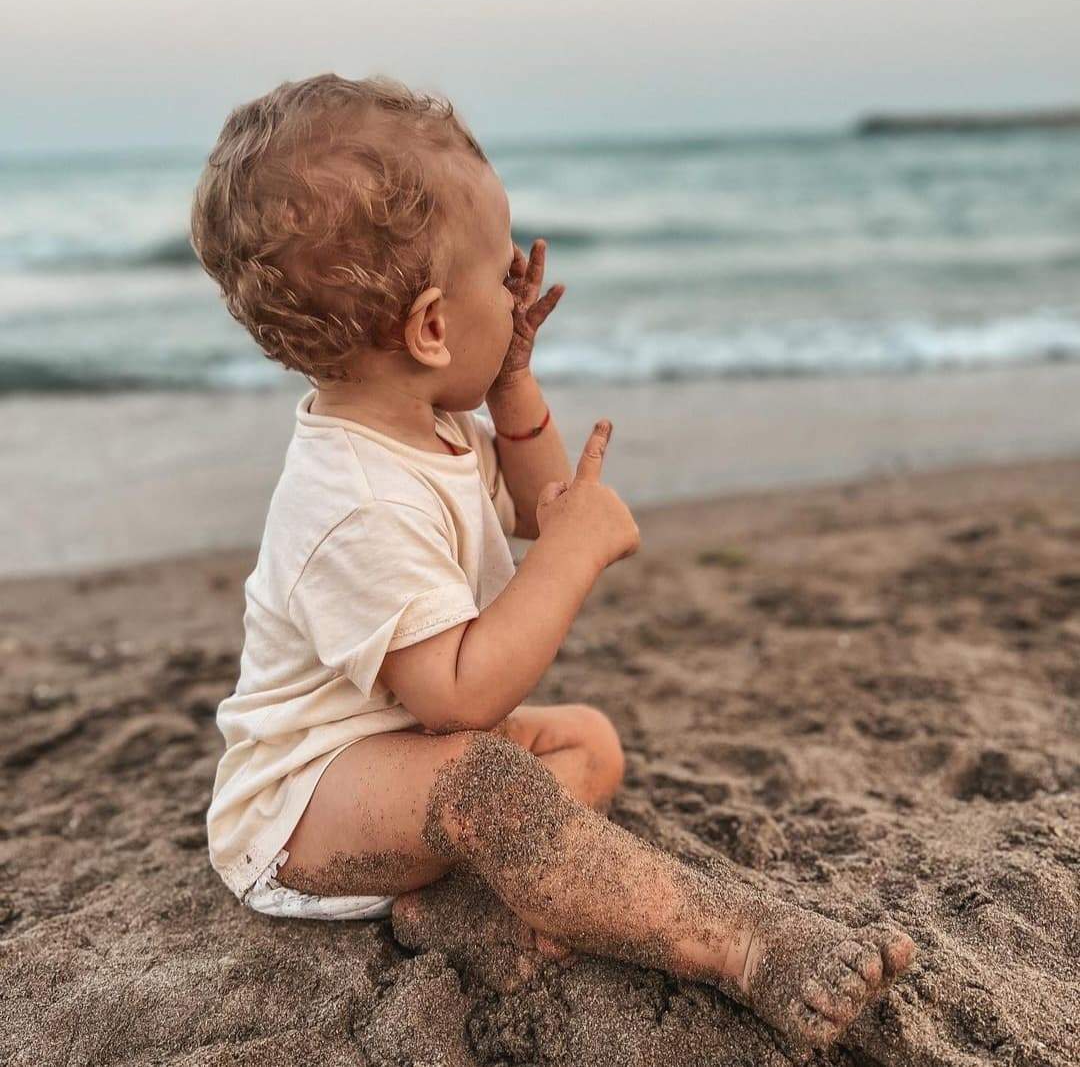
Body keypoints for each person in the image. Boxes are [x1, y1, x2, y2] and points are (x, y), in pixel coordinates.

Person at [192, 73, 914, 1051]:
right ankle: (746, 946)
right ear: (433, 327)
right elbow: (459, 695)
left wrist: (515, 384)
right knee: (487, 783)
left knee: (588, 745)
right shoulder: (352, 500)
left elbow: (538, 506)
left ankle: (451, 908)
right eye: (500, 275)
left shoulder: (433, 425)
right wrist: (568, 560)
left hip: (411, 764)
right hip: (303, 813)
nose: (518, 288)